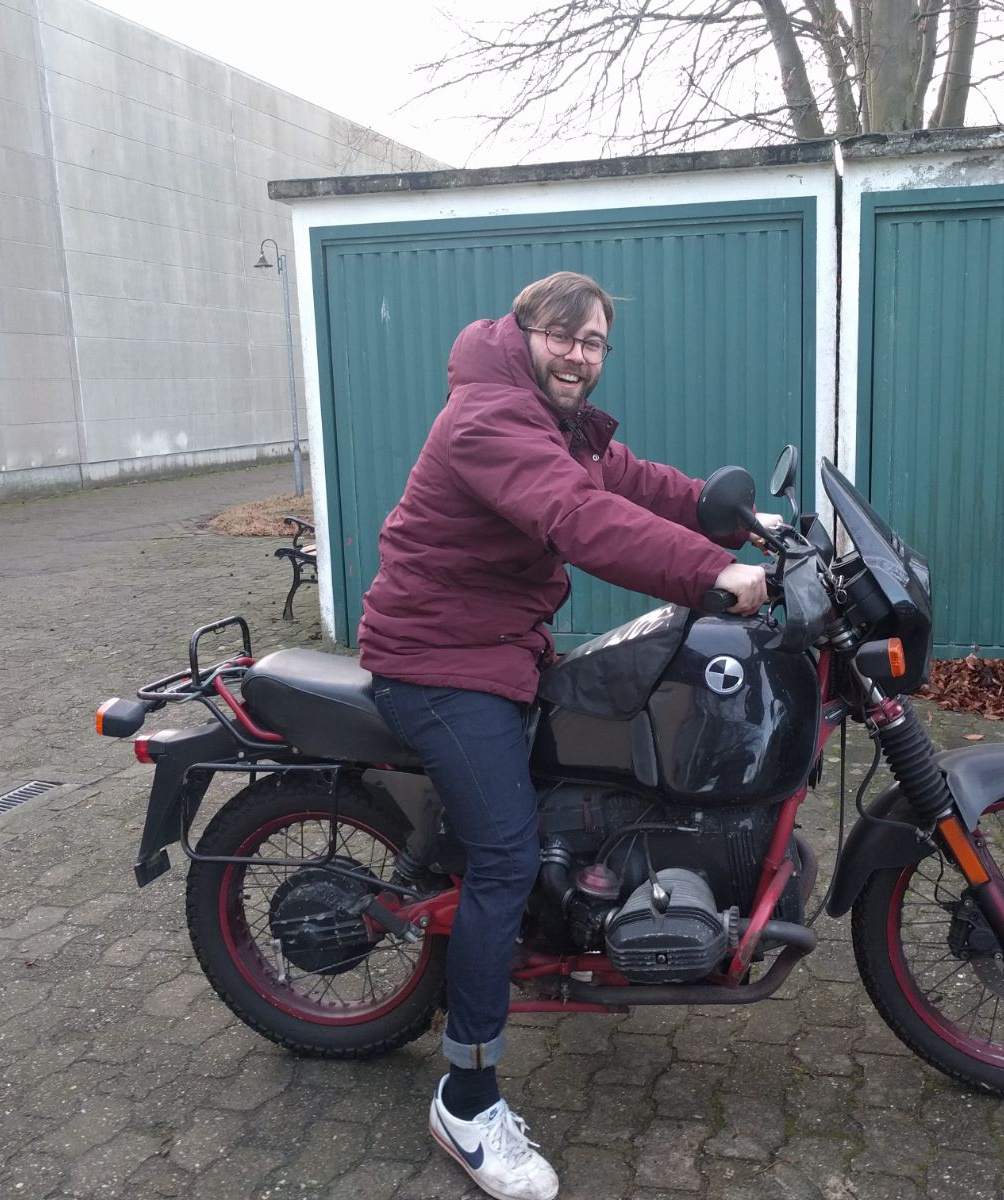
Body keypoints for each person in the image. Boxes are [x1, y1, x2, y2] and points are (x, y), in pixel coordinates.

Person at [359, 270, 768, 1200]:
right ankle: (466, 1101)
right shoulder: (488, 417)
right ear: (524, 331)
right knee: (503, 858)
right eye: (563, 336)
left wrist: (744, 522)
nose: (579, 356)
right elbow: (581, 518)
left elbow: (630, 482)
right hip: (438, 661)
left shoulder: (552, 417)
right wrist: (711, 571)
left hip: (497, 646)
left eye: (594, 343)